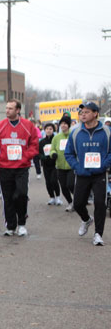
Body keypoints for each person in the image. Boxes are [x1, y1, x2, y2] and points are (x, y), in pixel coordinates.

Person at [0, 100, 39, 236]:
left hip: (22, 167)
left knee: (20, 194)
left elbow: (34, 145)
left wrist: (25, 156)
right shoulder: (0, 126)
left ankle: (21, 223)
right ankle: (10, 226)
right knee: (8, 197)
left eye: (10, 108)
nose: (7, 111)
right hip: (4, 167)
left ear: (18, 110)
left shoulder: (27, 125)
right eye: (6, 108)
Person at [64, 102, 111, 246]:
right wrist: (77, 167)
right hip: (82, 173)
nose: (83, 115)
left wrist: (104, 165)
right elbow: (69, 153)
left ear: (96, 113)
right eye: (81, 112)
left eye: (86, 112)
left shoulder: (106, 131)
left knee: (99, 203)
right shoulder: (76, 132)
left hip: (100, 174)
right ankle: (86, 219)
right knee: (77, 204)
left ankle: (98, 234)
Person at [51, 114, 75, 211]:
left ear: (69, 125)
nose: (63, 125)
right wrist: (53, 154)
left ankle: (78, 200)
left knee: (70, 184)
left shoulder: (73, 135)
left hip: (71, 166)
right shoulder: (56, 137)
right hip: (60, 166)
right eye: (62, 123)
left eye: (65, 123)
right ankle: (70, 203)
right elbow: (52, 149)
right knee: (64, 187)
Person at [39, 122, 62, 206]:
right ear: (44, 130)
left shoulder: (55, 140)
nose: (49, 130)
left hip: (54, 164)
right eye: (47, 129)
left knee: (54, 180)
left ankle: (58, 197)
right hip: (45, 165)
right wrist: (42, 157)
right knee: (48, 181)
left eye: (51, 129)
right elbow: (39, 152)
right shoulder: (42, 142)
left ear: (53, 130)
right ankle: (51, 197)